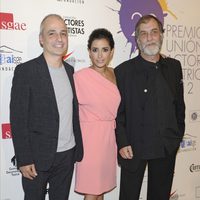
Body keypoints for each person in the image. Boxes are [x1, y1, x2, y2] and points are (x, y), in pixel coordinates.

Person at [10, 14, 83, 200]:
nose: (59, 39)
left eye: (63, 33)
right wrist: (24, 159)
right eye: (52, 33)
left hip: (67, 155)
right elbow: (18, 119)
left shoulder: (70, 70)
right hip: (37, 157)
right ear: (41, 39)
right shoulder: (26, 71)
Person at [114, 15, 185, 200]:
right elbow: (117, 114)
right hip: (133, 147)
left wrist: (176, 136)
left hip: (165, 146)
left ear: (161, 35)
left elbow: (179, 106)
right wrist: (122, 142)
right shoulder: (123, 72)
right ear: (137, 40)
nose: (150, 37)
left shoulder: (174, 67)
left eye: (154, 32)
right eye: (144, 34)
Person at [74, 28, 121, 200]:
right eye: (95, 50)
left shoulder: (117, 74)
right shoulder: (79, 77)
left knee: (100, 190)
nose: (100, 55)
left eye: (105, 49)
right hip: (90, 141)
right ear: (89, 52)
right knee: (92, 192)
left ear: (112, 52)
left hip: (109, 139)